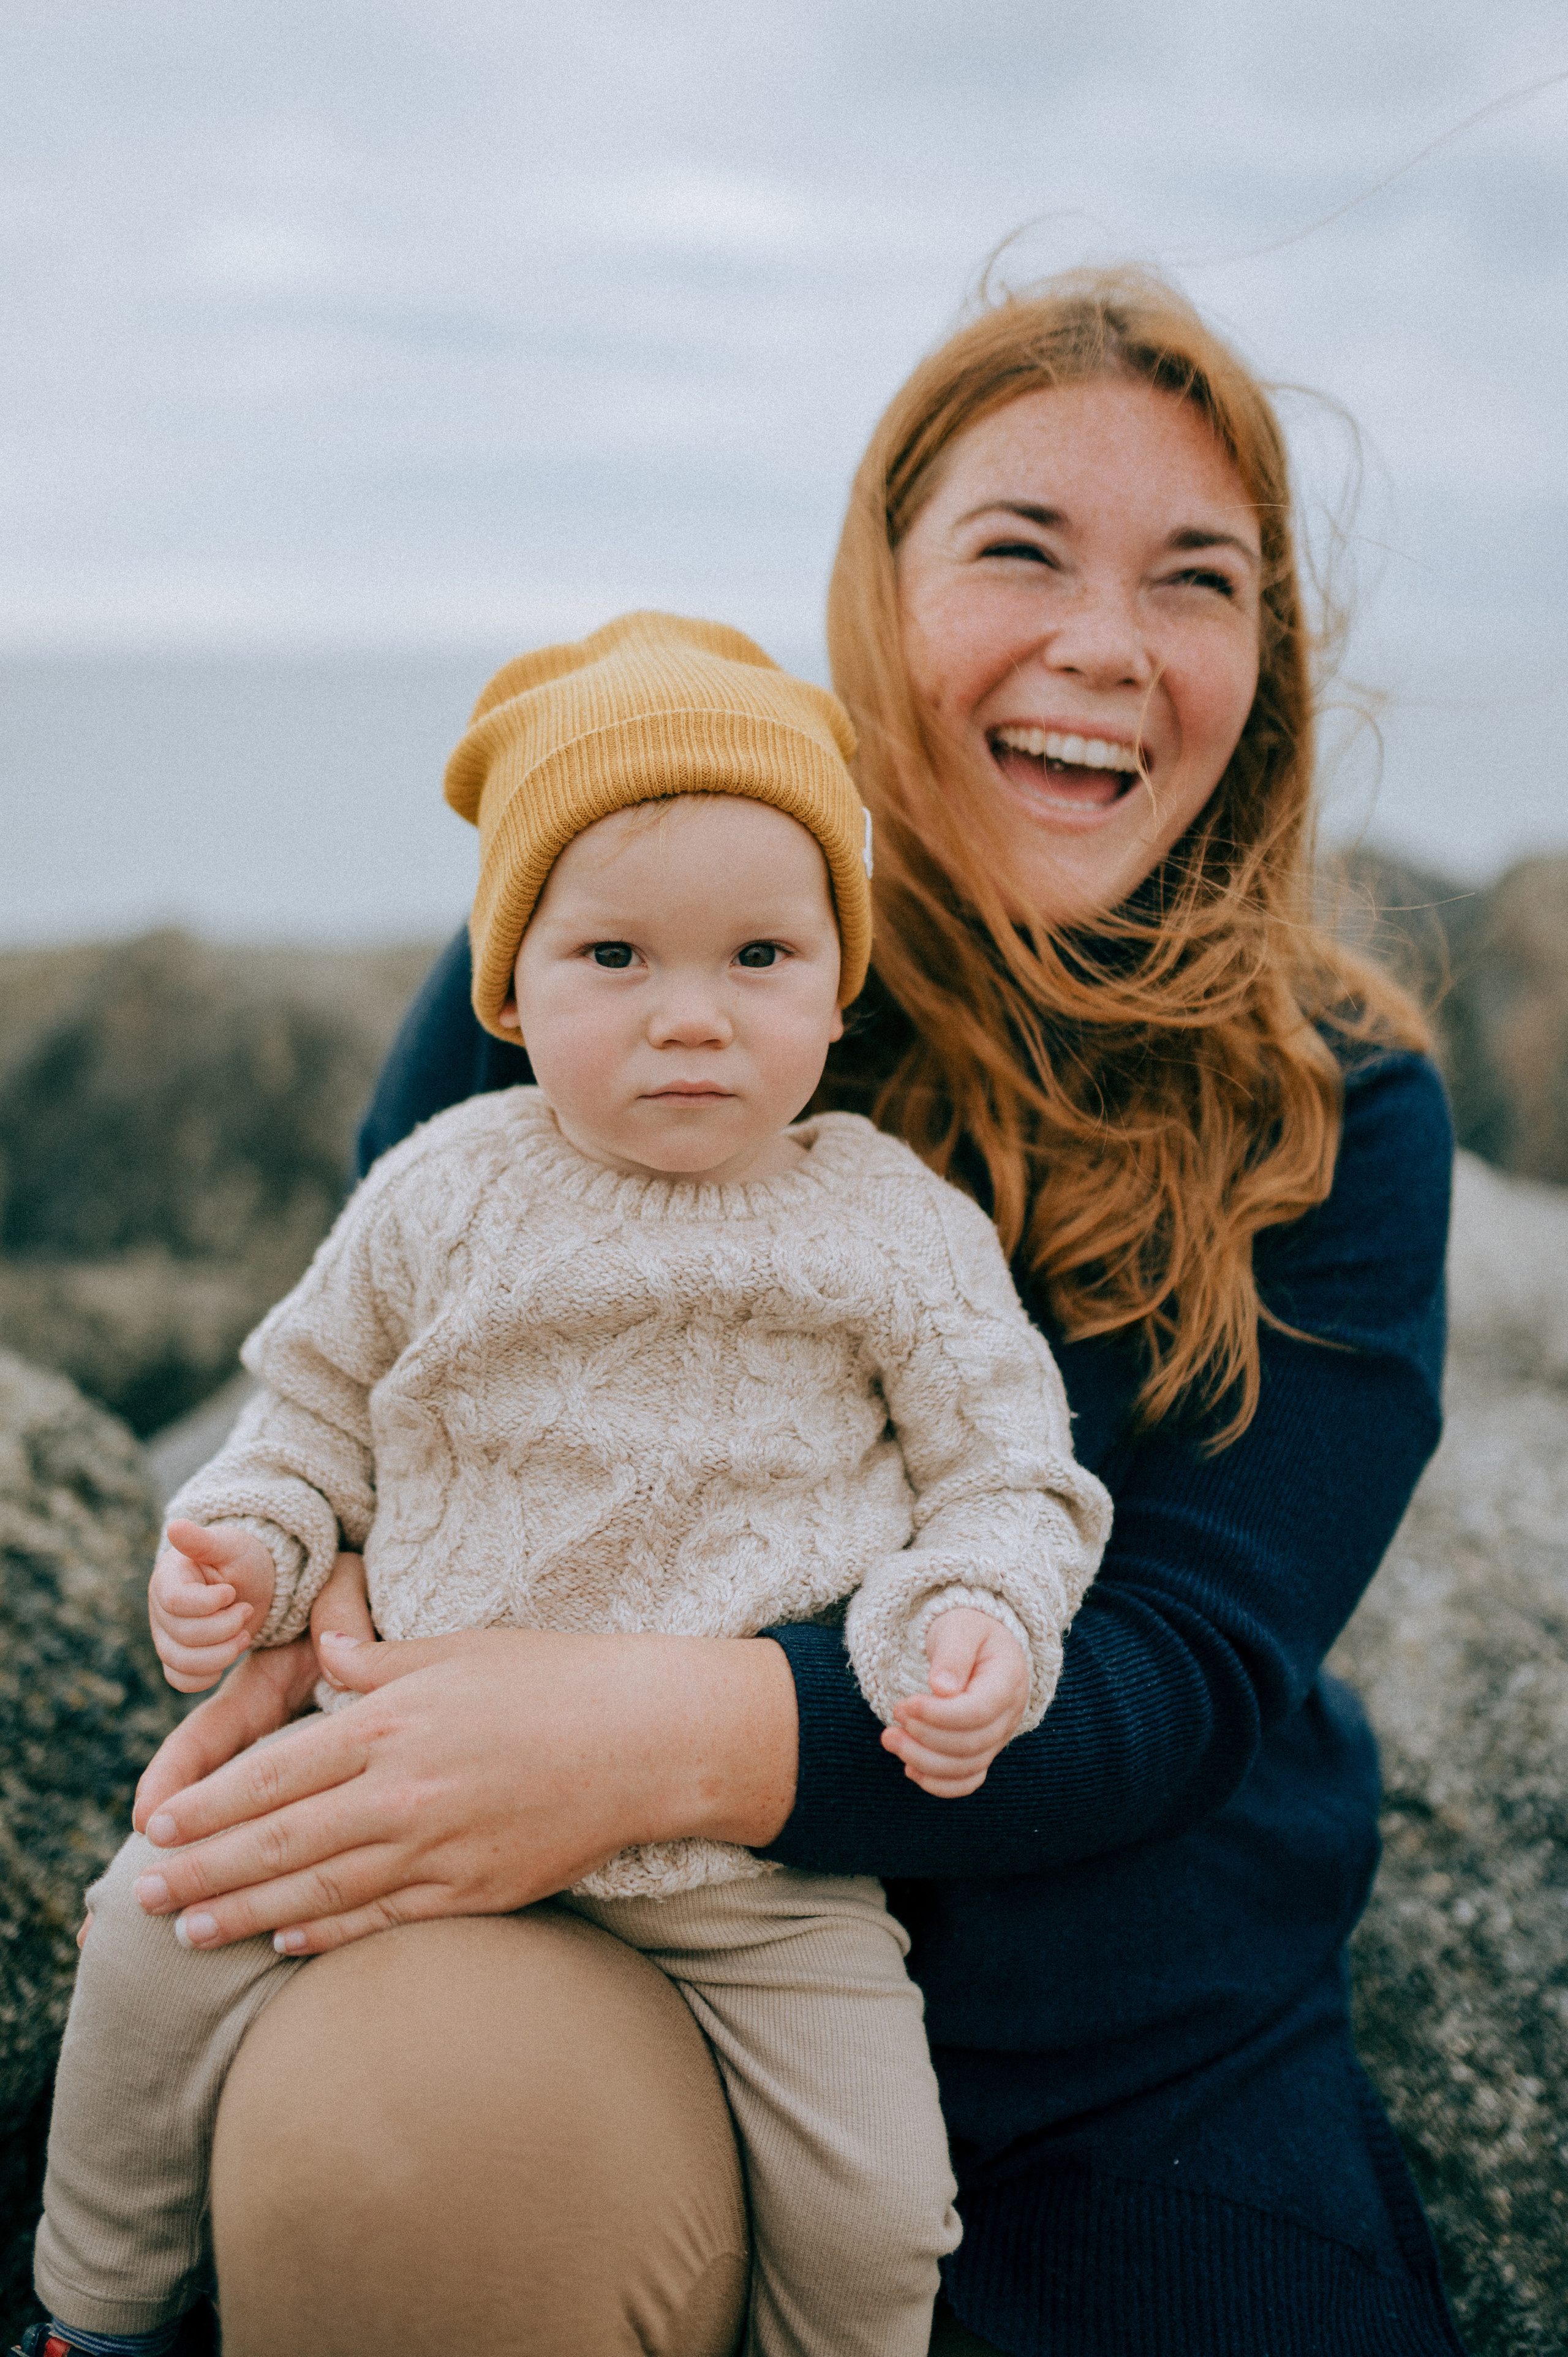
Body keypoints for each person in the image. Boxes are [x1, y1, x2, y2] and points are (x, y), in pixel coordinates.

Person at [102, 268, 1463, 2357]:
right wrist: (316, 1582)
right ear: (877, 597)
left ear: (1262, 661)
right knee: (406, 2154)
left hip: (1108, 2035)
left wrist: (656, 1733)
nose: (1107, 642)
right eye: (1022, 551)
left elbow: (1186, 1667)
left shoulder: (1341, 1110)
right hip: (597, 1945)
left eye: (1195, 579)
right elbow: (371, 1374)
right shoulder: (614, 939)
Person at [28, 615, 1112, 2357]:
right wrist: (251, 1541)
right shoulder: (441, 1189)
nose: (691, 1015)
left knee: (883, 2209)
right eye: (615, 955)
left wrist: (974, 1615)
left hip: (752, 1871)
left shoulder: (894, 1228)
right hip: (397, 1779)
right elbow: (308, 1414)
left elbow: (1008, 1475)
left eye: (760, 955)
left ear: (840, 986)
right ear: (511, 987)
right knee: (146, 1928)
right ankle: (94, 2316)